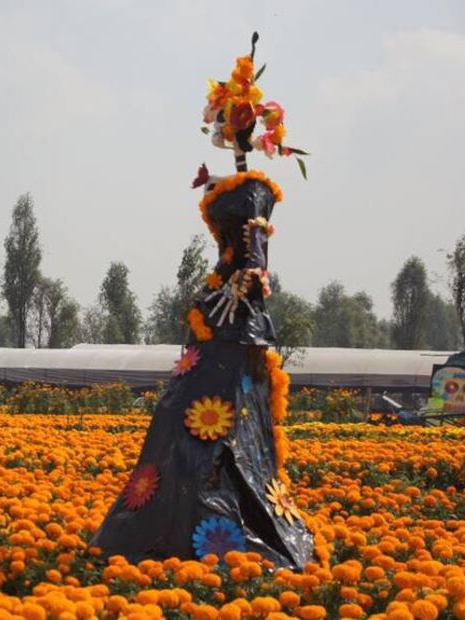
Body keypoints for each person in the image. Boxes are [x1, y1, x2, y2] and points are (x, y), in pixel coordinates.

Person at [90, 34, 314, 569]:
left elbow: (256, 250)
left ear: (245, 124)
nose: (217, 129)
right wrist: (215, 181)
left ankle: (226, 517)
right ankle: (175, 511)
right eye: (215, 120)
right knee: (184, 410)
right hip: (217, 309)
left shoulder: (255, 192)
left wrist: (250, 278)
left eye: (225, 120)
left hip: (234, 311)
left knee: (220, 411)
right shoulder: (238, 185)